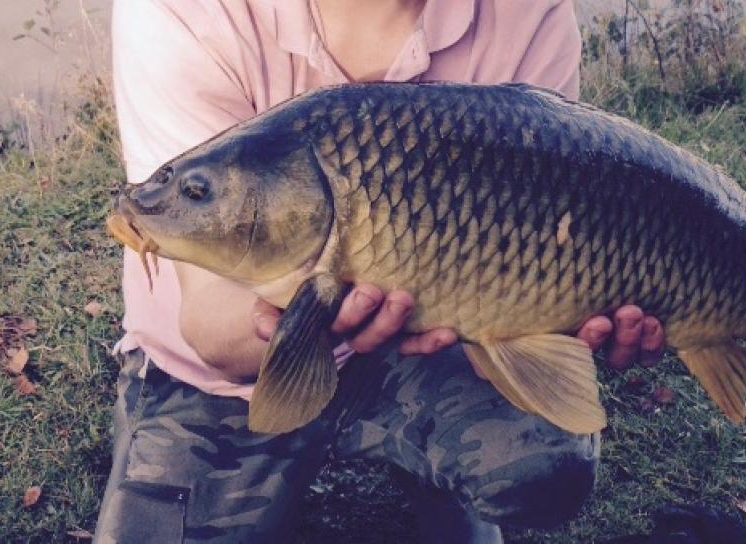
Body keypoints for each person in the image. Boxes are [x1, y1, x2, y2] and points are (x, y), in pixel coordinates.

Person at [96, 0, 667, 542]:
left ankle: (439, 479)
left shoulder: (527, 13)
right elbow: (210, 323)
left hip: (431, 344)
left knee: (547, 466)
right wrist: (319, 318)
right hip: (218, 377)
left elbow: (554, 225)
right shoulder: (182, 10)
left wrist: (567, 313)